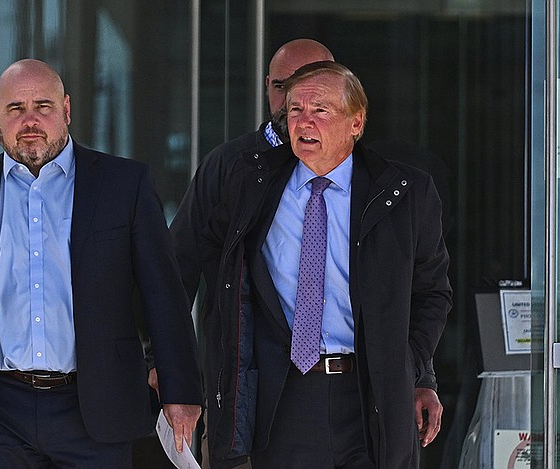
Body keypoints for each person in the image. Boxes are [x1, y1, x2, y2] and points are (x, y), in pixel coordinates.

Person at [0, 58, 202, 469]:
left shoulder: (124, 184)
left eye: (43, 107)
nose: (30, 120)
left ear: (67, 111)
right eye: (16, 109)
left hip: (97, 405)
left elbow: (164, 293)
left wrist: (179, 388)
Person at [167, 39, 444, 468]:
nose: (303, 122)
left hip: (370, 394)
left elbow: (430, 292)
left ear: (356, 122)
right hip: (284, 399)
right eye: (295, 110)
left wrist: (410, 367)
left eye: (320, 111)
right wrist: (172, 370)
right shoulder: (247, 184)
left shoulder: (403, 192)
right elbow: (183, 273)